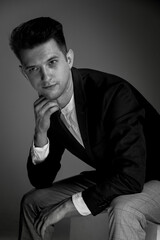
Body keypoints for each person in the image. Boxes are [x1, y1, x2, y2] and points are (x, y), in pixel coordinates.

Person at [9, 17, 160, 240]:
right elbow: (41, 181)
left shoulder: (113, 94)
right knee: (33, 203)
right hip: (112, 176)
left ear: (68, 59)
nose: (46, 76)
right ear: (24, 73)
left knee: (124, 208)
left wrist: (66, 207)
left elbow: (131, 176)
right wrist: (40, 133)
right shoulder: (48, 106)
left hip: (153, 178)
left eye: (52, 62)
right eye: (34, 69)